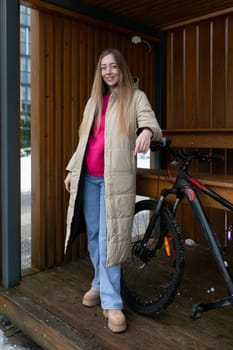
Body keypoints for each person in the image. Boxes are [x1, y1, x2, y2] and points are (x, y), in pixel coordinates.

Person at [64, 48, 162, 333]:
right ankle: (98, 282)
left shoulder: (136, 98)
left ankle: (112, 302)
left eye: (113, 67)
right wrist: (72, 169)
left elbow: (152, 124)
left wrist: (146, 131)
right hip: (89, 179)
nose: (108, 72)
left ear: (122, 69)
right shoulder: (94, 102)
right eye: (103, 67)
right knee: (95, 236)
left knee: (111, 240)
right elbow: (85, 142)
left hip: (114, 181)